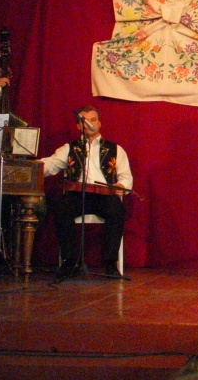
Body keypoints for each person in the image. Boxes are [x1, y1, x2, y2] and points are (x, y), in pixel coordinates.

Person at [40, 105, 133, 279]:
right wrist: (32, 167)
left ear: (99, 123)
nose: (90, 124)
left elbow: (126, 177)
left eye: (93, 120)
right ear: (78, 126)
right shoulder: (69, 148)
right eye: (85, 121)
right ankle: (69, 262)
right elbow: (50, 164)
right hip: (77, 195)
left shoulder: (115, 149)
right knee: (61, 208)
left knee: (116, 209)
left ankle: (110, 263)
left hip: (104, 196)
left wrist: (121, 185)